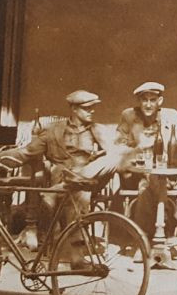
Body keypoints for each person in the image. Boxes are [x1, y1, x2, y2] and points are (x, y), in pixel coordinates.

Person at [11, 89, 117, 226]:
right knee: (79, 193)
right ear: (74, 109)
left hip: (88, 179)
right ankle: (74, 242)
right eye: (87, 108)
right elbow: (26, 152)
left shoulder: (97, 129)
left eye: (93, 108)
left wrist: (98, 156)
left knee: (113, 160)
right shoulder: (53, 130)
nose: (92, 111)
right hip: (63, 175)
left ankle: (62, 189)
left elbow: (114, 152)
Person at [112, 82, 177, 248]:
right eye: (144, 100)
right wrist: (136, 150)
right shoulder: (129, 116)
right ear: (139, 101)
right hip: (134, 173)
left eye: (152, 100)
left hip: (164, 175)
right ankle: (162, 230)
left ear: (160, 101)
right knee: (150, 181)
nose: (148, 104)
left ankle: (143, 236)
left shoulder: (172, 117)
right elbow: (118, 145)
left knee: (150, 183)